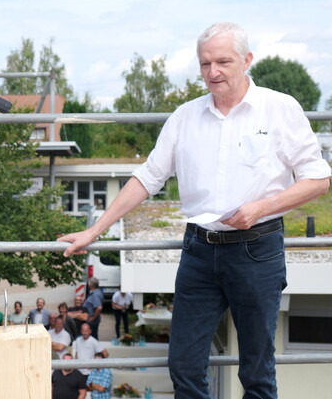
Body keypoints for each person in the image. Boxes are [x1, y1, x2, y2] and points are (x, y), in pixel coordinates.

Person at [59, 22, 331, 399]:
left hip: (258, 249)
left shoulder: (279, 108)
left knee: (257, 371)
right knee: (184, 367)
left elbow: (318, 180)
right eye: (205, 64)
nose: (213, 72)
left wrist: (261, 207)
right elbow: (147, 177)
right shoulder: (185, 117)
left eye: (223, 61)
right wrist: (94, 230)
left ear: (247, 60)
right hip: (199, 251)